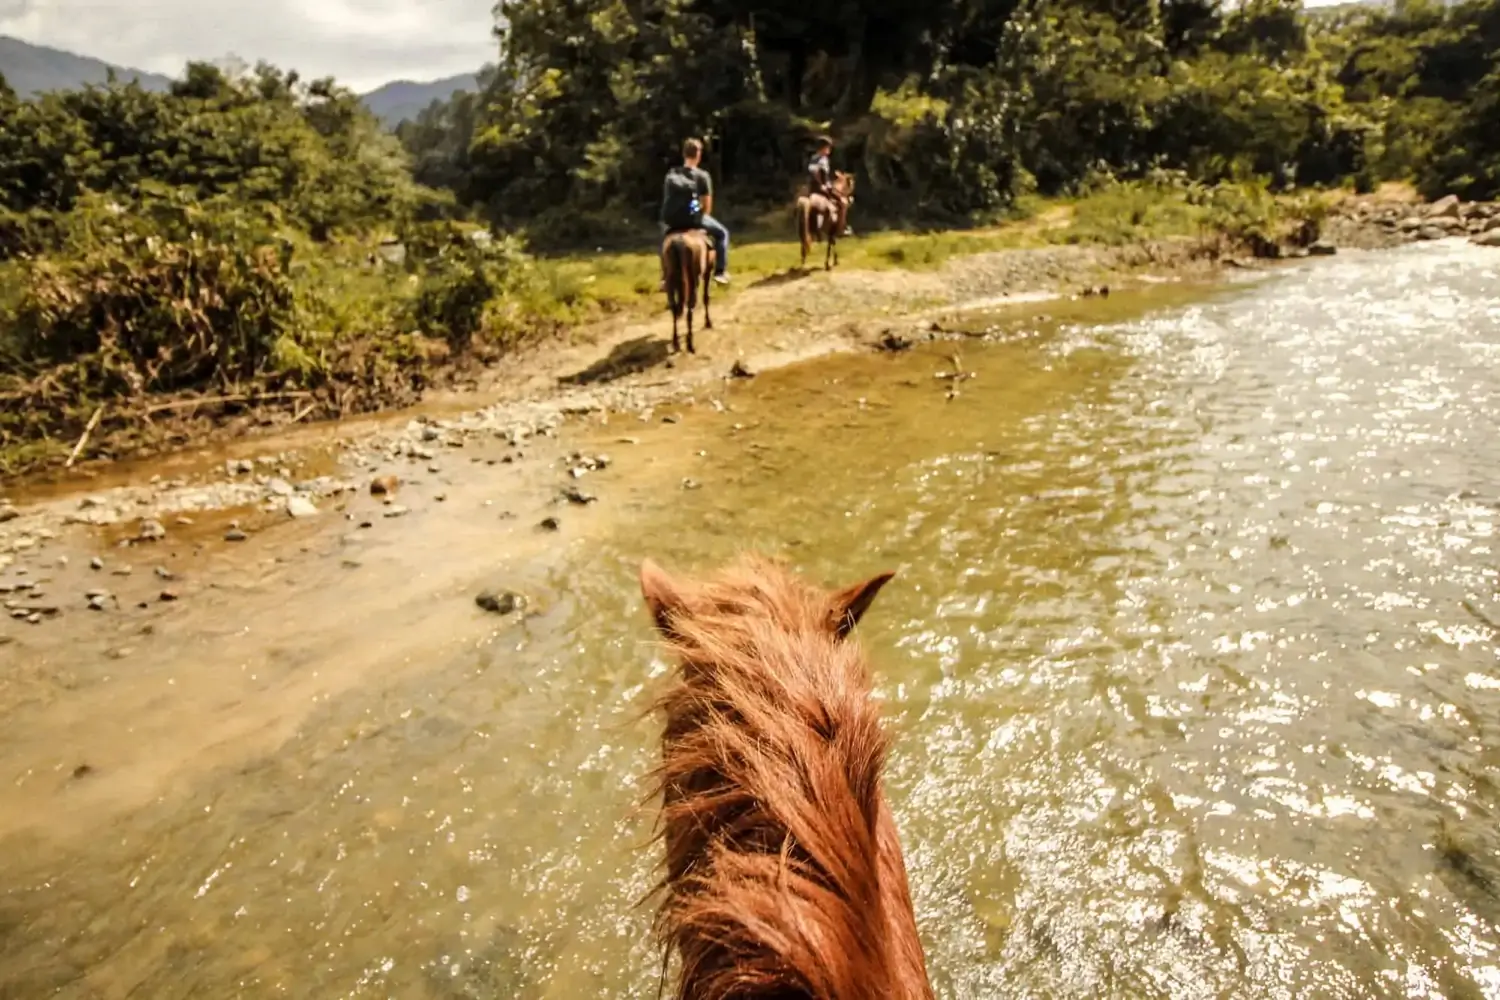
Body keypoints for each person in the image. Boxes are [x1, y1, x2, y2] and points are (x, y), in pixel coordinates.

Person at [659, 137, 730, 288]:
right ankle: (720, 272)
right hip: (693, 219)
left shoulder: (672, 174)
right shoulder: (702, 176)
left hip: (673, 220)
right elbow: (706, 206)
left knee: (665, 240)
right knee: (722, 233)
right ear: (698, 154)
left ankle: (665, 276)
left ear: (684, 154)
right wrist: (698, 216)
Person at [807, 135, 853, 237]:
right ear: (823, 147)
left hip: (821, 186)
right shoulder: (818, 159)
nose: (830, 149)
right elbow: (814, 171)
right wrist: (822, 184)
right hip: (821, 188)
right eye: (828, 147)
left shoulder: (822, 159)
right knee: (843, 202)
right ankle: (841, 229)